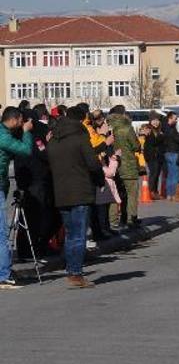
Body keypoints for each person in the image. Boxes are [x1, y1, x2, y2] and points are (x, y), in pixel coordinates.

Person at [47, 105, 103, 289]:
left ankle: (71, 269)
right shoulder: (80, 138)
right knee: (79, 235)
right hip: (80, 190)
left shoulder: (54, 140)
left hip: (60, 192)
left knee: (71, 234)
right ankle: (76, 274)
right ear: (81, 120)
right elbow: (93, 164)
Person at [13, 105, 58, 259]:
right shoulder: (35, 136)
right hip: (36, 181)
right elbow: (44, 155)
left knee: (27, 218)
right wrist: (49, 143)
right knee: (36, 217)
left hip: (25, 180)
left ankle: (26, 249)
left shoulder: (19, 135)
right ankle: (33, 248)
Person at [0, 107, 33, 289]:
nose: (22, 125)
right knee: (2, 234)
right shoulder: (4, 137)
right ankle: (3, 275)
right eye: (21, 121)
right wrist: (27, 133)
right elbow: (25, 150)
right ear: (13, 120)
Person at [107, 105, 142, 228]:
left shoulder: (108, 127)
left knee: (114, 194)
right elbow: (135, 146)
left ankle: (112, 220)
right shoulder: (127, 128)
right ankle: (130, 218)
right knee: (131, 193)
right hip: (128, 165)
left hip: (111, 165)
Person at [143, 114, 165, 200]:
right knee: (154, 173)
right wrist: (162, 136)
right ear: (150, 121)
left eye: (157, 120)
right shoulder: (149, 129)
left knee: (157, 174)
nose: (156, 122)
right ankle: (151, 191)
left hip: (158, 155)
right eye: (153, 120)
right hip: (151, 156)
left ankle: (155, 191)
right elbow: (153, 141)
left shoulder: (159, 130)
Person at [163, 112, 179, 201]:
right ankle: (174, 194)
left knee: (170, 175)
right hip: (174, 153)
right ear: (170, 119)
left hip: (167, 153)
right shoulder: (171, 129)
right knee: (175, 175)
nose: (176, 120)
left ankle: (169, 194)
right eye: (175, 118)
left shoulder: (165, 128)